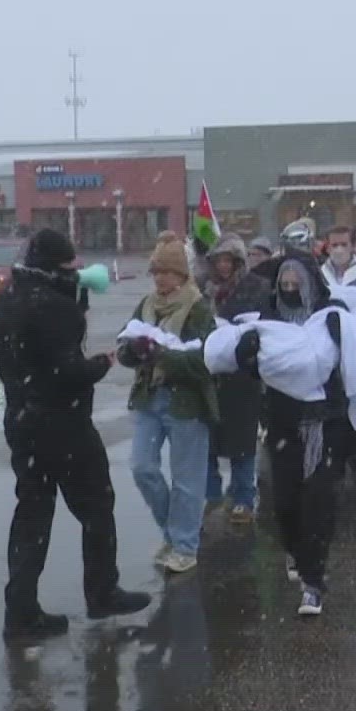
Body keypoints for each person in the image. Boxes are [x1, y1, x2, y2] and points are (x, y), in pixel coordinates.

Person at [0, 228, 151, 641]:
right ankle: (102, 593)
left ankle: (21, 612)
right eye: (72, 266)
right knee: (97, 507)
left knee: (32, 515)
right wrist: (104, 362)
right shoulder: (56, 308)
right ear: (57, 267)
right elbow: (67, 372)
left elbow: (28, 362)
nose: (78, 272)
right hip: (64, 425)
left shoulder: (10, 299)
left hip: (21, 422)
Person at [235, 255, 352, 617]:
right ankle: (295, 547)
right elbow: (252, 366)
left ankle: (313, 582)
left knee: (318, 502)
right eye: (284, 286)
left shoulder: (332, 313)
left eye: (296, 286)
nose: (290, 292)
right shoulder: (267, 319)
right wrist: (248, 358)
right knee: (285, 503)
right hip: (283, 423)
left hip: (326, 423)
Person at [118, 232, 219, 574]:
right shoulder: (147, 306)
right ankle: (174, 533)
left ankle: (185, 546)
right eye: (155, 271)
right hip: (149, 399)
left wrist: (162, 354)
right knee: (142, 467)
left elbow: (205, 362)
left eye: (165, 271)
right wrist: (132, 352)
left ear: (181, 274)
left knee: (187, 480)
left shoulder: (198, 308)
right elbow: (125, 348)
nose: (159, 278)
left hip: (186, 403)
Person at [202, 234, 272, 525]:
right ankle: (212, 494)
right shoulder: (204, 290)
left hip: (243, 374)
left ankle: (244, 496)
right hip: (209, 375)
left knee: (242, 440)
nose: (223, 267)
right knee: (206, 438)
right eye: (218, 261)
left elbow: (266, 325)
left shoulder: (256, 288)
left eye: (228, 260)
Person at [320, 224, 356, 291]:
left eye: (344, 245)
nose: (339, 250)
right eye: (334, 245)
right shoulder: (319, 275)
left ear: (353, 247)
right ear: (327, 248)